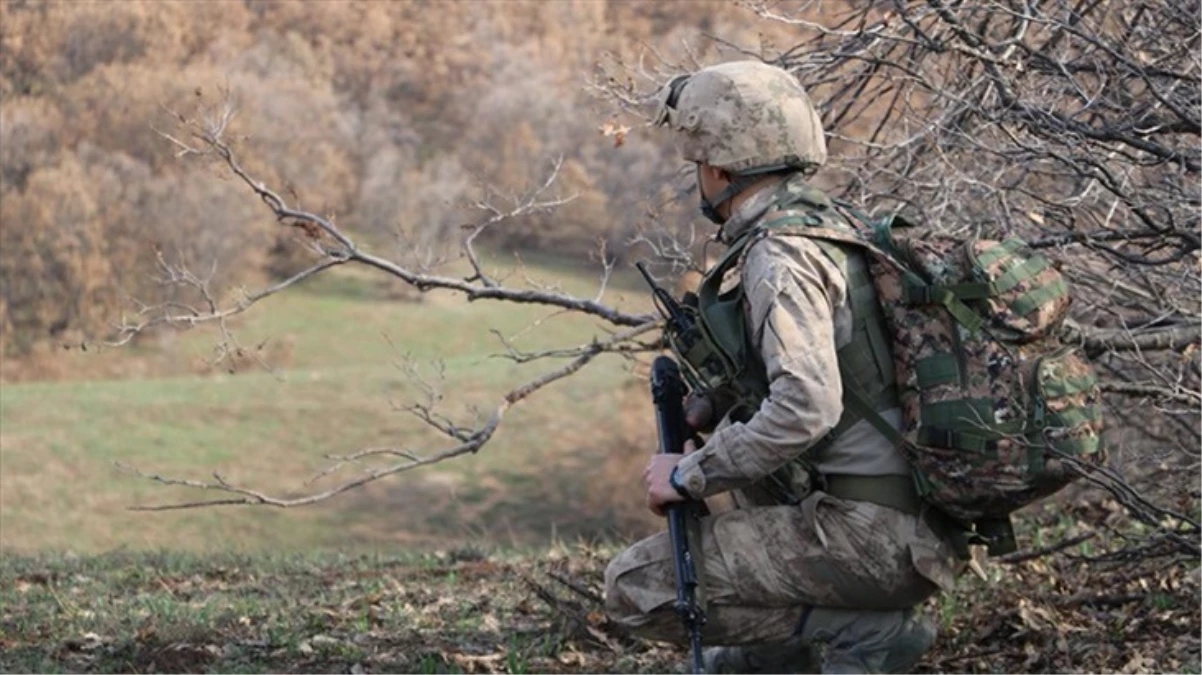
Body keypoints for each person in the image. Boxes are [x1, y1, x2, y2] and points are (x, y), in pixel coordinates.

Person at [603, 61, 967, 674]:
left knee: (636, 587)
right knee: (742, 461)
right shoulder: (835, 226)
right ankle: (773, 659)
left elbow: (806, 408)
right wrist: (714, 405)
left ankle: (870, 632)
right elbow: (853, 370)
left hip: (872, 539)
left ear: (720, 170)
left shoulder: (780, 257)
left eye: (699, 165)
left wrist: (689, 475)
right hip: (915, 524)